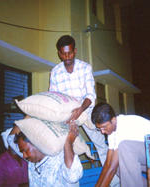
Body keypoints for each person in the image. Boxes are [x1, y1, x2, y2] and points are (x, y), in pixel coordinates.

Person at [49, 35, 112, 174]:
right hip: (67, 115)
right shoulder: (55, 72)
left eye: (70, 53)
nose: (67, 57)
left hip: (86, 111)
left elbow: (91, 94)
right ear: (59, 53)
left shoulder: (85, 68)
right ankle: (73, 176)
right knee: (67, 145)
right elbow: (54, 97)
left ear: (75, 51)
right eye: (63, 54)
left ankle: (112, 178)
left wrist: (81, 109)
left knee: (100, 144)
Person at [91, 103, 150, 187]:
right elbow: (107, 164)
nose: (102, 132)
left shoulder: (124, 125)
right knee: (119, 166)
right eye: (99, 129)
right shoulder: (111, 132)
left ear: (113, 120)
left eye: (104, 127)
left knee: (123, 148)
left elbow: (111, 168)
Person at [8, 121, 83, 187]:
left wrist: (68, 142)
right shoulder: (32, 160)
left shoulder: (59, 157)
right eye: (22, 152)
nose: (24, 156)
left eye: (25, 151)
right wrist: (29, 115)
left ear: (36, 143)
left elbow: (73, 177)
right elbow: (10, 139)